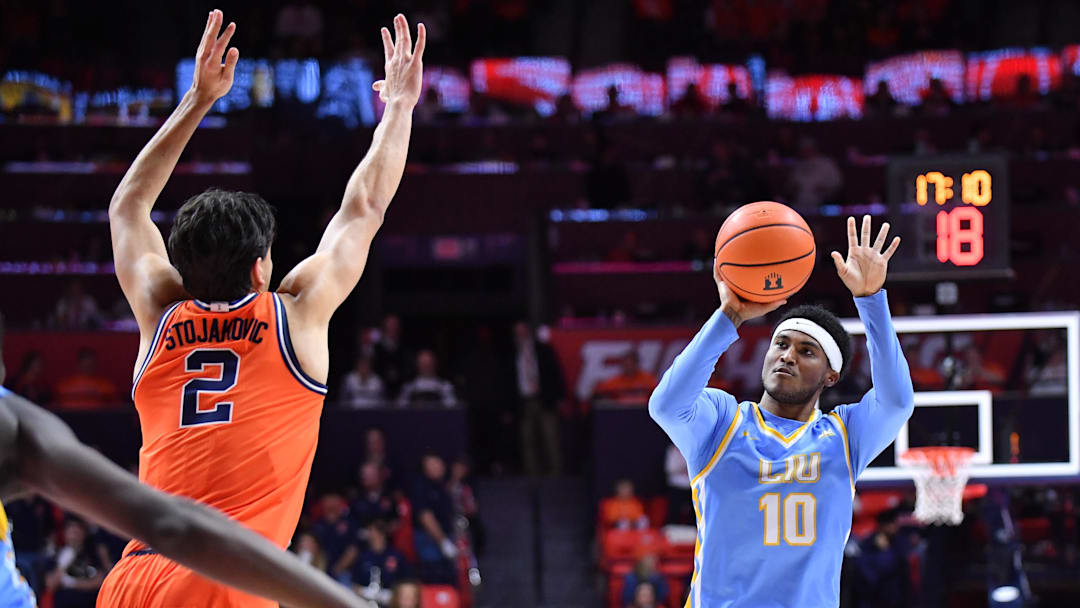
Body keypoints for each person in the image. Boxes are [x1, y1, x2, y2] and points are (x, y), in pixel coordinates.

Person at [98, 10, 425, 607]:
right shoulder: (296, 317)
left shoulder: (158, 308)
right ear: (259, 268)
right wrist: (399, 108)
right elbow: (364, 208)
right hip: (222, 580)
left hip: (131, 580)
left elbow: (127, 207)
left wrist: (198, 100)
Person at [0, 313, 377, 608]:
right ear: (260, 269)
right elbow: (172, 527)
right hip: (218, 572)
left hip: (131, 577)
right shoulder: (13, 423)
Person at [649, 216, 913, 606]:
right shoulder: (724, 421)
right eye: (781, 344)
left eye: (806, 351)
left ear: (830, 375)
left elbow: (896, 402)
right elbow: (667, 405)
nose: (787, 355)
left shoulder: (844, 435)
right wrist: (729, 318)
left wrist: (871, 300)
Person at [513, 321, 566, 476]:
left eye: (523, 331)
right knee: (527, 438)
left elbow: (555, 374)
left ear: (529, 332)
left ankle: (556, 471)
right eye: (517, 332)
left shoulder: (543, 349)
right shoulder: (514, 353)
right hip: (525, 401)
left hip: (544, 399)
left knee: (550, 436)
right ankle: (532, 472)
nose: (520, 335)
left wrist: (559, 397)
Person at [410, 453, 458, 584]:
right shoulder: (421, 486)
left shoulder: (443, 485)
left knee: (451, 578)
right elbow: (425, 516)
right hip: (430, 541)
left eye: (437, 463)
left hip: (447, 537)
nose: (435, 467)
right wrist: (443, 542)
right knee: (435, 579)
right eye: (430, 465)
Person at [853, 508, 911, 608]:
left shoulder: (900, 542)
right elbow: (865, 571)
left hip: (895, 596)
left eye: (895, 524)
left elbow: (896, 566)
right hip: (871, 595)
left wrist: (885, 550)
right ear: (882, 525)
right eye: (890, 524)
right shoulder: (868, 542)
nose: (894, 527)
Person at [46, 518, 107, 608]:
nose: (74, 533)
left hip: (87, 603)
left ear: (84, 533)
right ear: (65, 533)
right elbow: (50, 585)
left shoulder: (92, 553)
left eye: (77, 529)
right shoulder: (57, 555)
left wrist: (73, 583)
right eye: (71, 529)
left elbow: (100, 581)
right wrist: (64, 563)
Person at [52, 348, 117, 410]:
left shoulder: (106, 385)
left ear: (95, 363)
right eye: (85, 362)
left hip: (99, 419)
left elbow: (117, 408)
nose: (88, 366)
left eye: (90, 363)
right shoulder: (64, 385)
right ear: (78, 363)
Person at [592, 350, 658, 406]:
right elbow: (599, 393)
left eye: (631, 364)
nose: (629, 367)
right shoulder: (613, 382)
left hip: (644, 412)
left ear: (637, 364)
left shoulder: (648, 380)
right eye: (626, 364)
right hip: (621, 413)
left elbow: (658, 396)